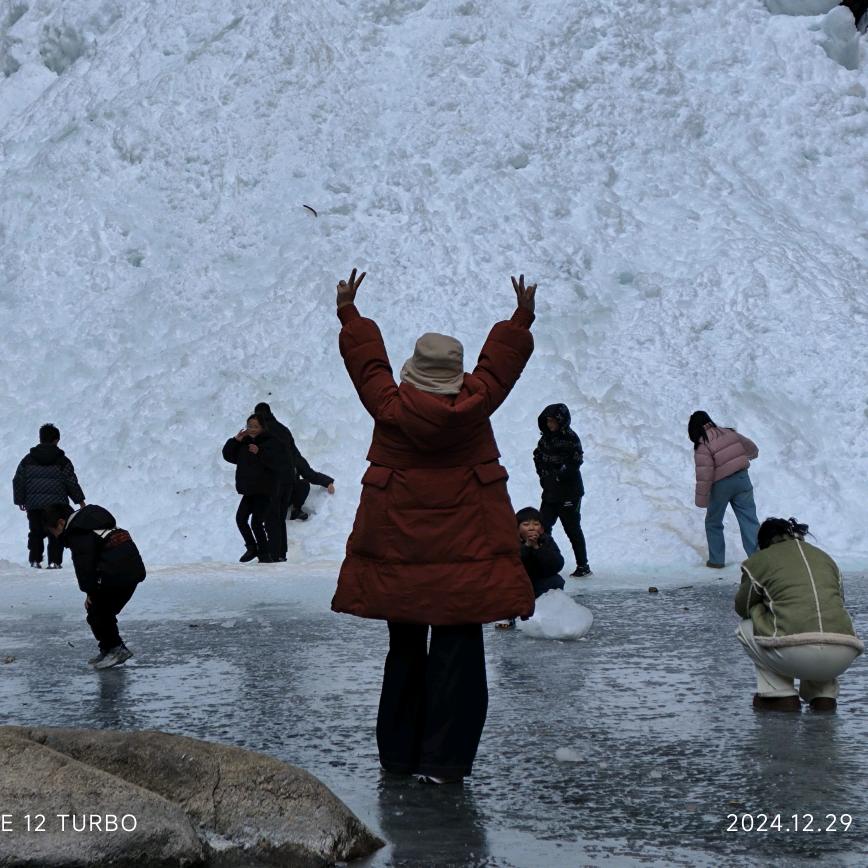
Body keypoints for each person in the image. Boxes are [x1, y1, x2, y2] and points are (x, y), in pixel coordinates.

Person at [332, 267, 537, 785]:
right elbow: (501, 366)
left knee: (404, 651)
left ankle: (399, 758)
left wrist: (349, 312)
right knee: (460, 653)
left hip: (401, 558)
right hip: (465, 561)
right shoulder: (478, 403)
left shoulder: (389, 405)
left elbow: (367, 364)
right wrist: (521, 316)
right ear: (458, 373)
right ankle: (445, 764)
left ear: (412, 372)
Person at [735, 517, 863, 712]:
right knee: (821, 618)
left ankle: (779, 694)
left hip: (794, 651)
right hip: (843, 652)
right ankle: (823, 695)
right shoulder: (826, 559)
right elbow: (838, 603)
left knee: (746, 627)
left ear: (764, 542)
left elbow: (742, 606)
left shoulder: (760, 560)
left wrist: (758, 609)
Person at [43, 502, 146, 669]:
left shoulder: (78, 532)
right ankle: (108, 649)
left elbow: (85, 566)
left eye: (54, 532)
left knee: (98, 611)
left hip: (118, 572)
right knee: (100, 610)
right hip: (129, 569)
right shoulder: (88, 523)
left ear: (61, 523)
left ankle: (115, 649)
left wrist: (90, 591)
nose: (56, 537)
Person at [688, 410, 760, 568]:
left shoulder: (703, 444)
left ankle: (717, 560)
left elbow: (705, 475)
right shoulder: (729, 433)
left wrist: (702, 500)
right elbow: (753, 449)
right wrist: (746, 457)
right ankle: (758, 559)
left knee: (713, 522)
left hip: (721, 486)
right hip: (742, 480)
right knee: (749, 520)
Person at [12, 422, 86, 569]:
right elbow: (70, 482)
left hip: (34, 504)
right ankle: (54, 562)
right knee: (55, 533)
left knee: (36, 532)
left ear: (40, 439)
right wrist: (80, 500)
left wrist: (20, 499)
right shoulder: (63, 461)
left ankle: (35, 560)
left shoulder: (27, 460)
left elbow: (18, 480)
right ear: (56, 440)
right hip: (57, 505)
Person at [533, 404, 590, 577]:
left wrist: (559, 474)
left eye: (552, 421)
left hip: (570, 493)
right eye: (548, 421)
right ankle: (544, 563)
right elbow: (537, 456)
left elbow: (575, 462)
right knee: (543, 527)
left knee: (572, 529)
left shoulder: (571, 438)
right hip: (550, 492)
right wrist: (544, 475)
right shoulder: (545, 440)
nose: (550, 425)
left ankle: (583, 565)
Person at [222, 414, 286, 563]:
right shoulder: (244, 443)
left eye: (255, 427)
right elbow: (228, 456)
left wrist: (260, 452)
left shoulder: (271, 442)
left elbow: (278, 463)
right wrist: (235, 441)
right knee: (241, 519)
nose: (251, 429)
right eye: (249, 426)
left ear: (263, 427)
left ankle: (264, 555)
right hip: (250, 489)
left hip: (265, 490)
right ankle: (252, 547)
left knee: (256, 522)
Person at [496, 507, 566, 629]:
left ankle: (548, 614)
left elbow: (557, 565)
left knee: (556, 581)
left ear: (542, 528)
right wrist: (527, 547)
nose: (531, 528)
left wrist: (538, 548)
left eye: (536, 524)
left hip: (541, 581)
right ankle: (508, 614)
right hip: (519, 582)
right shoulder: (511, 542)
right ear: (517, 529)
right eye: (526, 524)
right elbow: (511, 565)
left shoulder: (547, 541)